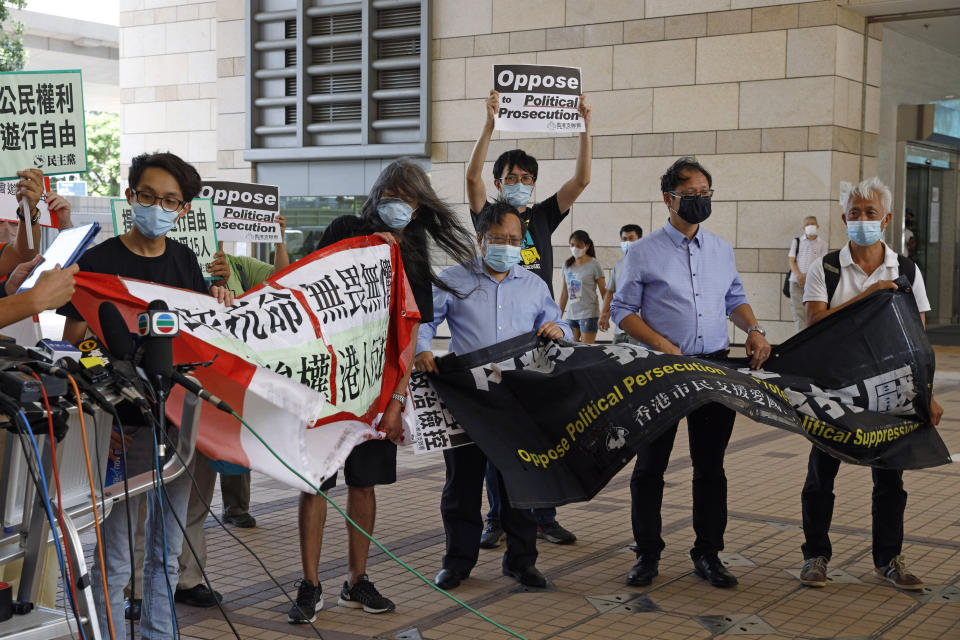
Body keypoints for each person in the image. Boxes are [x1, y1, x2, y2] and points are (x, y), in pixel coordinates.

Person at [289, 158, 477, 624]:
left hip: (376, 392)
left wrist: (396, 400)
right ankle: (309, 584)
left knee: (364, 484)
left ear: (419, 208)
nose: (401, 206)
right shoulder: (345, 227)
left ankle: (356, 581)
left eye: (410, 199)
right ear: (377, 195)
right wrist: (367, 248)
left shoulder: (414, 247)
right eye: (394, 195)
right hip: (329, 387)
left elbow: (412, 332)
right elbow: (304, 288)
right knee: (315, 484)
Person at [59, 152, 235, 639]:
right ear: (131, 195)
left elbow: (200, 330)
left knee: (166, 551)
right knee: (115, 554)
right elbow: (75, 331)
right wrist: (111, 355)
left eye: (170, 201)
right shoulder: (98, 261)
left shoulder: (184, 260)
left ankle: (163, 634)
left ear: (183, 210)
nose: (157, 207)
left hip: (177, 417)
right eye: (148, 196)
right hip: (118, 422)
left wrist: (218, 301)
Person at [610, 157, 772, 589]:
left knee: (710, 466)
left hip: (713, 367)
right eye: (692, 195)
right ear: (669, 199)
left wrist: (753, 329)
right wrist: (660, 343)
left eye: (706, 194)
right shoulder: (642, 252)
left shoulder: (721, 249)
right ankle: (647, 553)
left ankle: (708, 553)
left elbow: (734, 297)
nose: (700, 201)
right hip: (661, 369)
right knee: (651, 466)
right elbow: (621, 310)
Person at [415, 200, 570, 591]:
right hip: (466, 397)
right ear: (481, 239)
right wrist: (422, 348)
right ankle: (457, 562)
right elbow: (425, 320)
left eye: (514, 239)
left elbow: (556, 321)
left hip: (517, 399)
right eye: (499, 238)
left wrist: (558, 329)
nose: (507, 245)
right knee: (461, 485)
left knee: (519, 484)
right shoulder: (454, 278)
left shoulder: (534, 285)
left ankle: (521, 562)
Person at [798, 177, 943, 591]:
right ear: (844, 218)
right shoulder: (825, 268)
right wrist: (871, 294)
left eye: (871, 213)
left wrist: (927, 396)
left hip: (889, 392)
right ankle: (815, 556)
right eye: (855, 213)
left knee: (890, 479)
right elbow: (815, 326)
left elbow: (917, 340)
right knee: (821, 475)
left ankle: (889, 559)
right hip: (833, 389)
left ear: (887, 219)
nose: (863, 219)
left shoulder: (907, 270)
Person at [195, 215, 289, 532]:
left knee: (235, 432)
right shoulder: (182, 262)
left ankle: (236, 507)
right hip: (195, 365)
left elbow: (281, 278)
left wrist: (279, 240)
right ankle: (189, 511)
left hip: (233, 365)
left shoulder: (239, 266)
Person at [466, 90, 592, 295]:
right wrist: (489, 125)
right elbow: (472, 179)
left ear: (533, 184)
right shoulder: (488, 215)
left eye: (526, 178)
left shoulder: (543, 215)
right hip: (500, 308)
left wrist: (584, 128)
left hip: (540, 314)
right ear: (498, 184)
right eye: (511, 178)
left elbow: (581, 181)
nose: (519, 183)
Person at [560, 230, 606, 344]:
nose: (575, 248)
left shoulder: (594, 265)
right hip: (571, 315)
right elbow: (564, 294)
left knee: (586, 351)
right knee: (569, 349)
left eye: (579, 245)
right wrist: (558, 316)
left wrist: (605, 314)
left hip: (589, 314)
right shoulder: (567, 265)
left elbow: (604, 292)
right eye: (572, 245)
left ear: (587, 246)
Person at [599, 224, 643, 344]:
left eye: (631, 238)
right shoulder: (618, 265)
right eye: (624, 239)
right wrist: (604, 314)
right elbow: (610, 291)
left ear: (640, 240)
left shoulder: (647, 264)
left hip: (640, 329)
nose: (627, 242)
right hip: (620, 328)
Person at [787, 216, 828, 333]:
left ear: (818, 226)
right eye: (808, 224)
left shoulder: (823, 244)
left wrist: (808, 277)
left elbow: (822, 263)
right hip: (796, 282)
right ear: (803, 227)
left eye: (813, 223)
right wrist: (799, 276)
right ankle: (801, 343)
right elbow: (791, 260)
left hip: (813, 283)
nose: (810, 226)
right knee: (799, 315)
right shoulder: (797, 242)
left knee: (813, 314)